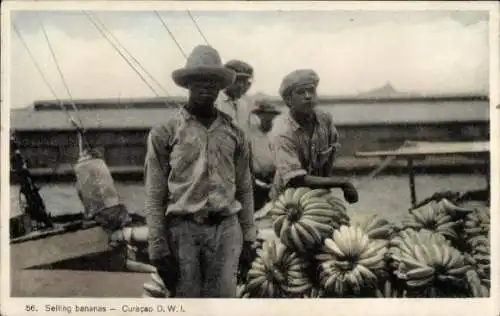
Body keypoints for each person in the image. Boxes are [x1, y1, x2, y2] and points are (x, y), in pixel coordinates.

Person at [144, 45, 257, 298]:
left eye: (213, 81)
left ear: (220, 86)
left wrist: (250, 238)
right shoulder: (165, 132)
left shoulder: (235, 134)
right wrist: (157, 246)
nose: (206, 86)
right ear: (188, 84)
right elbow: (154, 192)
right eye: (198, 80)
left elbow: (245, 187)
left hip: (226, 230)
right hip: (183, 232)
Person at [268, 69, 359, 204]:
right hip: (288, 202)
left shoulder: (325, 120)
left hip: (318, 197)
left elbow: (330, 157)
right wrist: (342, 183)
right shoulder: (282, 131)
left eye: (311, 90)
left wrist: (325, 191)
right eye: (301, 92)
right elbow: (296, 179)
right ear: (288, 100)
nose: (308, 96)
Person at [248, 100, 281, 211]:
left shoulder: (277, 134)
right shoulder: (251, 133)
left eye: (270, 115)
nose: (267, 118)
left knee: (273, 210)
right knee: (255, 208)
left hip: (273, 178)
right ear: (259, 116)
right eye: (264, 115)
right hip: (255, 178)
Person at [215, 59, 255, 133]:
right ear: (226, 79)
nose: (240, 85)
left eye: (244, 81)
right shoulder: (215, 102)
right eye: (236, 80)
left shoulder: (244, 105)